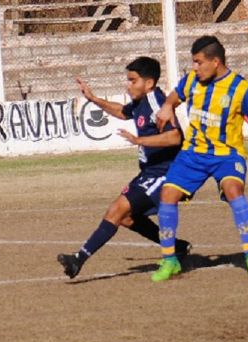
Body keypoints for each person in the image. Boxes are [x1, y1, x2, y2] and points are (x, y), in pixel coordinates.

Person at [152, 35, 248, 282]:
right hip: (193, 154)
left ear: (215, 62)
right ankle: (169, 260)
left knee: (233, 191)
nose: (195, 68)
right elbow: (175, 96)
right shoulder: (192, 81)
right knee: (167, 195)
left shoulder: (240, 88)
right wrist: (167, 106)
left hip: (227, 154)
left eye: (198, 62)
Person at [57, 57, 191, 279]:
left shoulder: (157, 101)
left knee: (116, 211)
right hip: (148, 173)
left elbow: (175, 137)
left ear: (149, 83)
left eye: (132, 81)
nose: (128, 85)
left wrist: (140, 142)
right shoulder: (140, 102)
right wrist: (93, 98)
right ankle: (176, 246)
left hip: (165, 172)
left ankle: (78, 260)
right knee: (127, 217)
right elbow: (122, 112)